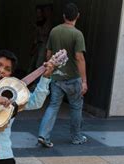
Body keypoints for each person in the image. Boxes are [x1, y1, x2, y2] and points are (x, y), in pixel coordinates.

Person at [37, 2, 87, 148]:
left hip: (56, 77)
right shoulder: (77, 34)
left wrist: (50, 70)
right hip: (73, 78)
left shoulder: (54, 31)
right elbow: (79, 58)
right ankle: (76, 137)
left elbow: (48, 53)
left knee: (53, 106)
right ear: (78, 16)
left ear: (64, 16)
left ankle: (43, 135)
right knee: (76, 107)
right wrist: (84, 81)